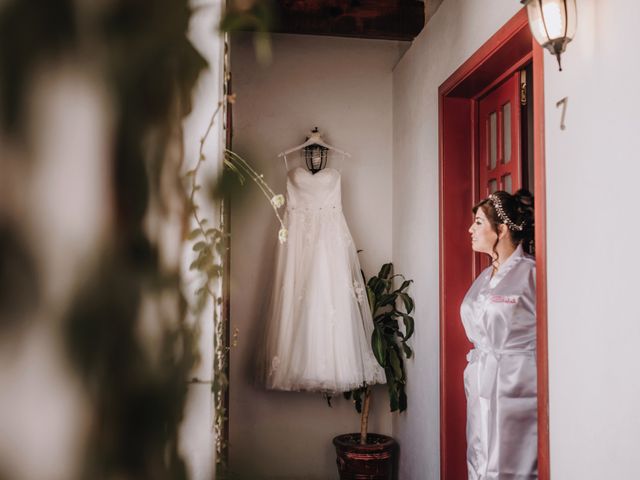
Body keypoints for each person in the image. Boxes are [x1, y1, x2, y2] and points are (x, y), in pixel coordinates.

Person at [461, 189, 537, 479]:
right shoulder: (485, 277)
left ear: (502, 230)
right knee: (480, 454)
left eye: (478, 222)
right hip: (481, 380)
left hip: (517, 386)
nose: (471, 229)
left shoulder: (531, 274)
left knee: (510, 462)